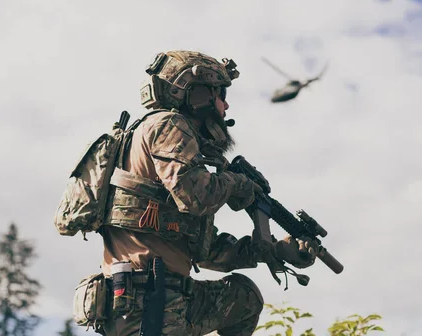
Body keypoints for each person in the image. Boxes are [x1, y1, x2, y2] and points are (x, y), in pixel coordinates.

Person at [93, 51, 317, 336]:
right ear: (198, 95)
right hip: (150, 303)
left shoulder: (154, 139)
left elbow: (205, 251)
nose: (226, 105)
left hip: (153, 298)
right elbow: (194, 197)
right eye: (220, 94)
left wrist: (272, 249)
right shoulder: (168, 125)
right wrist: (238, 184)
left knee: (243, 297)